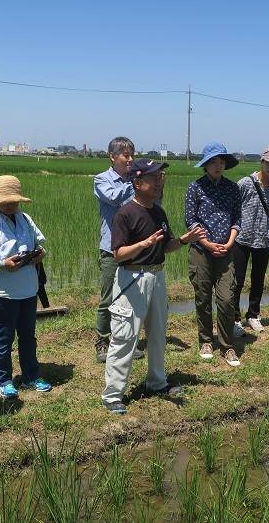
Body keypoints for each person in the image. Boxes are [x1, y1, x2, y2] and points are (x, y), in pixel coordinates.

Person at [102, 159, 205, 414]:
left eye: (161, 176)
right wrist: (142, 245)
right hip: (132, 279)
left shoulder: (159, 212)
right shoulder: (125, 213)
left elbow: (166, 245)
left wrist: (183, 240)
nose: (161, 181)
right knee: (125, 336)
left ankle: (157, 382)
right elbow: (118, 254)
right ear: (137, 182)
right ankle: (113, 394)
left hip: (157, 277)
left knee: (158, 333)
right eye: (155, 177)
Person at [0, 175, 53, 398]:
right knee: (4, 337)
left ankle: (31, 376)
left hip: (28, 289)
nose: (12, 204)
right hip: (1, 293)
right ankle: (3, 380)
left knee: (28, 336)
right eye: (8, 201)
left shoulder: (25, 219)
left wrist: (40, 254)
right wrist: (2, 264)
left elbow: (39, 245)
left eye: (15, 200)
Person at [185, 142, 243, 367]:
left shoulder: (232, 188)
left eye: (221, 162)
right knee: (203, 297)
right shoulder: (195, 188)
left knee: (227, 299)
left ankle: (227, 345)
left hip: (226, 250)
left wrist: (229, 243)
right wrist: (207, 244)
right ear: (205, 165)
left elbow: (237, 218)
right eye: (213, 162)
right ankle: (206, 340)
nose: (218, 166)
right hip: (201, 250)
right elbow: (191, 220)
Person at [93, 137, 144, 363]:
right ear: (112, 157)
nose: (131, 159)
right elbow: (113, 198)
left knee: (132, 296)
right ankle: (102, 342)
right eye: (126, 155)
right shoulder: (102, 179)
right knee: (107, 299)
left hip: (135, 248)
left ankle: (126, 341)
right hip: (111, 248)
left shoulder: (136, 179)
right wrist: (136, 185)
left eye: (133, 155)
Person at [232, 145, 269, 336]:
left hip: (263, 239)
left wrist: (262, 227)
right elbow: (234, 208)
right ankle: (234, 319)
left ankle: (253, 315)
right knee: (236, 280)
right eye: (268, 163)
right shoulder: (245, 183)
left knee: (258, 279)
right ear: (262, 161)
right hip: (241, 238)